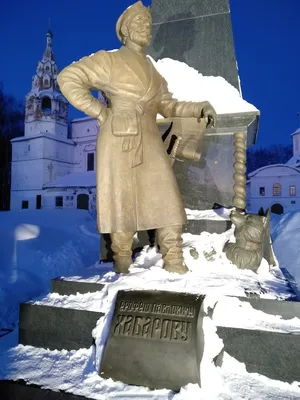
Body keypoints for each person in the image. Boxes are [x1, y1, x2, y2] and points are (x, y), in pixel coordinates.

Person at [57, 1, 217, 275]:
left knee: (167, 197)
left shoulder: (154, 73)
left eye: (148, 23)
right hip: (119, 138)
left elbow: (168, 106)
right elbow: (68, 77)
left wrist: (197, 107)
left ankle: (174, 260)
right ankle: (121, 260)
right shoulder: (109, 60)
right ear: (126, 31)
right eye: (139, 23)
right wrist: (100, 112)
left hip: (150, 139)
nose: (146, 28)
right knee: (121, 201)